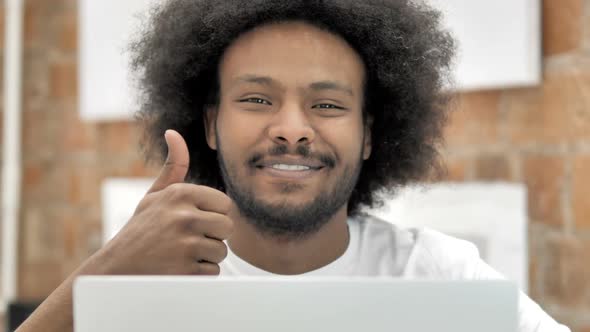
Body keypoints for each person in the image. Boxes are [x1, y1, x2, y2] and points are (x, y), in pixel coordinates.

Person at [17, 0, 570, 331]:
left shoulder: (439, 273)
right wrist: (104, 274)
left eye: (327, 105)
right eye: (257, 99)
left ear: (371, 134)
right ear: (208, 125)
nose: (292, 128)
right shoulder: (142, 279)